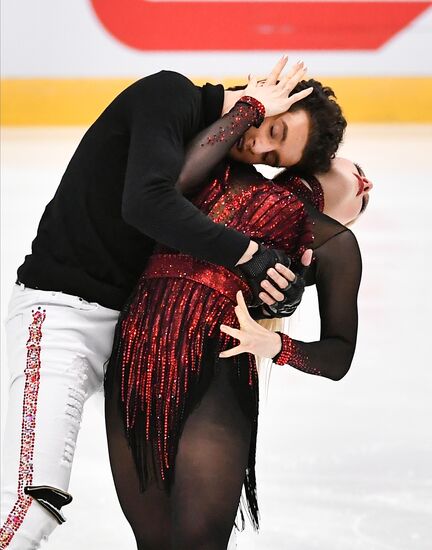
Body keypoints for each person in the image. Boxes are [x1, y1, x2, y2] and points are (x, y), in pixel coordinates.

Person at [0, 59, 347, 549]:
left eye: (275, 155)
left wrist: (295, 280)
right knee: (35, 501)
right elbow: (146, 204)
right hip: (61, 316)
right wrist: (248, 253)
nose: (261, 146)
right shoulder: (170, 95)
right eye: (273, 127)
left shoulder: (218, 166)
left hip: (133, 335)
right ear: (269, 93)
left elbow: (259, 228)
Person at [103, 97, 372, 549]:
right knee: (153, 541)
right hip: (138, 356)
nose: (363, 183)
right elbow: (171, 183)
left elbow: (340, 354)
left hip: (217, 371)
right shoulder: (224, 169)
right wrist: (252, 104)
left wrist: (278, 347)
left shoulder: (331, 242)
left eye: (365, 194)